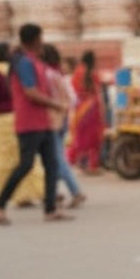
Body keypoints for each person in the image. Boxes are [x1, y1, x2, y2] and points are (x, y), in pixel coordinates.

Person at [0, 23, 70, 225]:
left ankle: (50, 209)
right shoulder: (23, 62)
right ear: (34, 40)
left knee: (51, 164)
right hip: (29, 122)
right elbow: (30, 92)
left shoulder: (32, 61)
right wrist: (55, 104)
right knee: (26, 164)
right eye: (41, 38)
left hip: (42, 121)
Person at [0, 41, 45, 207]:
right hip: (18, 117)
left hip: (1, 121)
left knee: (3, 160)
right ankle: (30, 193)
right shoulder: (17, 69)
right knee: (25, 158)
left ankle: (3, 196)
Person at [42, 44, 85, 209]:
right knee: (54, 156)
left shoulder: (47, 75)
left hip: (51, 120)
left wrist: (54, 106)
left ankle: (74, 191)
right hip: (62, 119)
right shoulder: (59, 75)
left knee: (56, 158)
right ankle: (54, 193)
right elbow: (73, 99)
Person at [67, 50, 104, 174]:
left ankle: (71, 161)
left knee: (79, 137)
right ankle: (92, 165)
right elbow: (98, 92)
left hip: (80, 108)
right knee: (94, 138)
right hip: (93, 107)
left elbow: (73, 89)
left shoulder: (77, 72)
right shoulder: (94, 74)